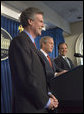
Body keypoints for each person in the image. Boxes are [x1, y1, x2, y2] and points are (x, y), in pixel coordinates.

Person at [8, 7, 59, 113]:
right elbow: (27, 78)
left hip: (38, 106)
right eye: (40, 21)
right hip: (29, 107)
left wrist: (48, 94)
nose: (43, 25)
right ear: (30, 21)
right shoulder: (19, 42)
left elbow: (38, 76)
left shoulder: (31, 45)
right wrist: (46, 102)